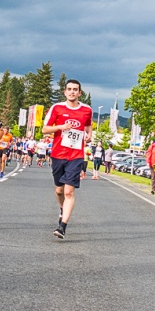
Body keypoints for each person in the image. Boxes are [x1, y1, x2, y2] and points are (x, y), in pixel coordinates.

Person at [42, 79, 93, 239]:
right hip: (58, 154)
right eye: (69, 89)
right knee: (59, 190)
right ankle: (62, 208)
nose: (72, 92)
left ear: (79, 93)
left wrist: (90, 134)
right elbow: (44, 129)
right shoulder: (57, 108)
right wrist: (60, 127)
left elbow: (88, 125)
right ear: (65, 92)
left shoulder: (86, 110)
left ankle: (62, 226)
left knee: (69, 191)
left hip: (76, 156)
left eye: (75, 89)